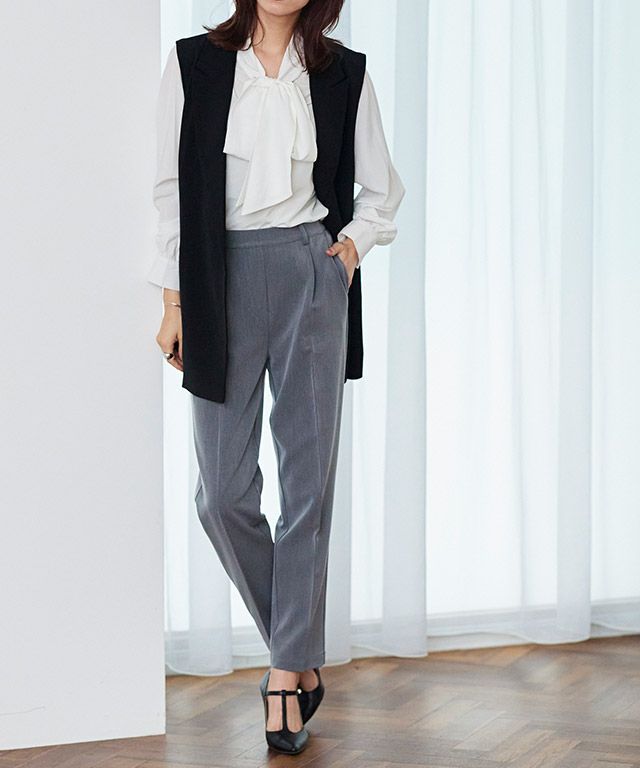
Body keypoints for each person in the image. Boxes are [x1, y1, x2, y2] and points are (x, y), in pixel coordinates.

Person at [148, 0, 404, 755]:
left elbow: (381, 190)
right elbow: (168, 190)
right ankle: (299, 645)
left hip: (308, 271)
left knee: (306, 489)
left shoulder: (344, 73)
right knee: (222, 496)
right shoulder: (194, 63)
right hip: (217, 277)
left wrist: (350, 249)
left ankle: (287, 674)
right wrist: (173, 300)